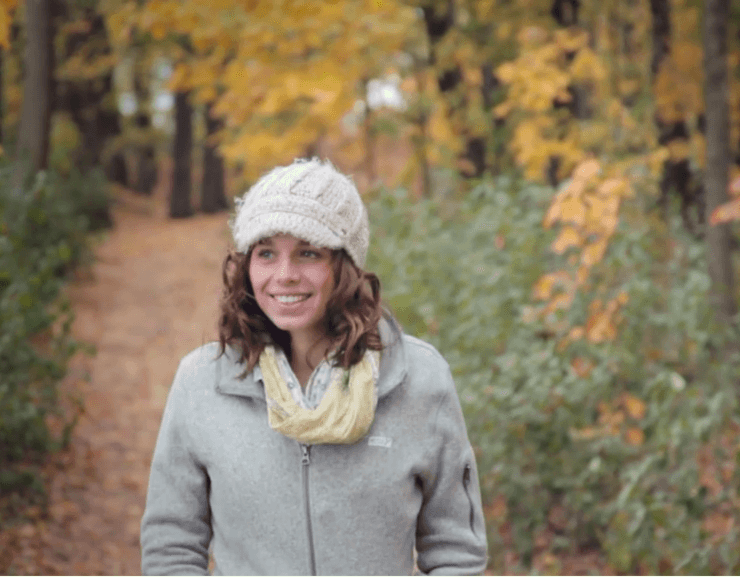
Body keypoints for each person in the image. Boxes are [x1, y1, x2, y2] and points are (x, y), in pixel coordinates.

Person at [140, 158, 488, 575]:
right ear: (247, 266)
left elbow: (455, 551)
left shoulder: (419, 379)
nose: (285, 275)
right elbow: (172, 547)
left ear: (346, 265)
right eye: (266, 253)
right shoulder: (201, 383)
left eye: (308, 253)